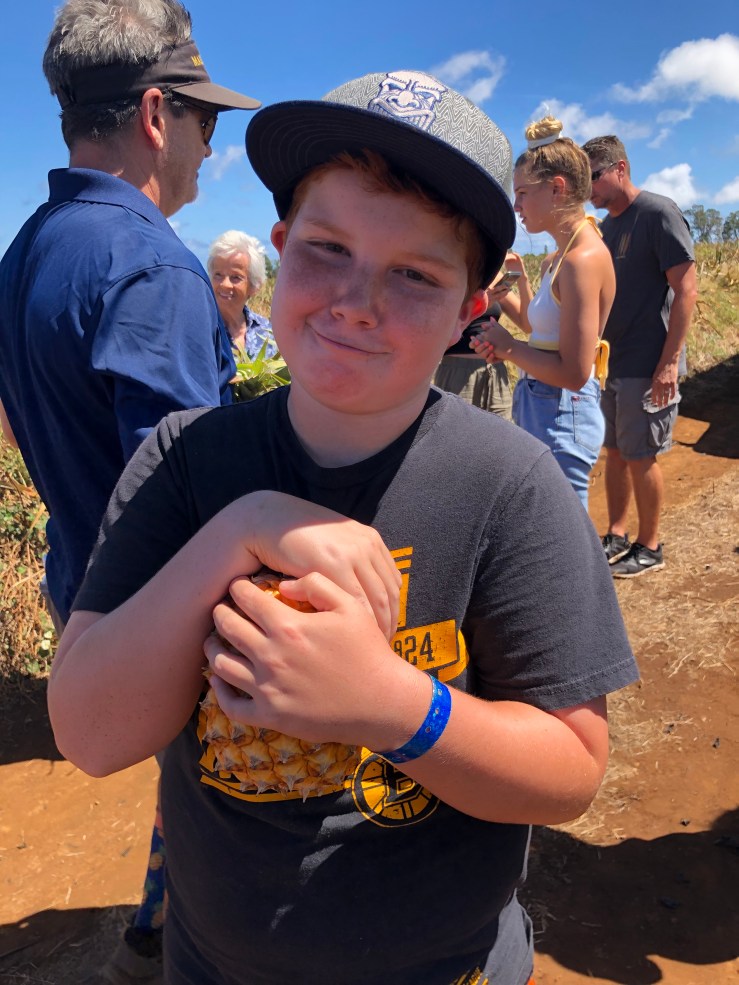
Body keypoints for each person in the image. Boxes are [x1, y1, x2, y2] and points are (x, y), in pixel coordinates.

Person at [48, 70, 638, 985]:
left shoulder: (508, 484)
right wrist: (239, 530)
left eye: (414, 274)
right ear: (282, 248)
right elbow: (90, 732)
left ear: (469, 307)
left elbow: (570, 770)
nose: (357, 300)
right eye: (327, 248)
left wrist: (391, 705)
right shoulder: (185, 461)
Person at [0, 1, 259, 980]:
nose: (210, 146)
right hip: (166, 618)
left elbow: (18, 421)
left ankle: (152, 926)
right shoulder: (153, 267)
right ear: (157, 114)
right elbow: (182, 500)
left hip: (84, 587)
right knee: (237, 806)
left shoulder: (28, 250)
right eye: (207, 119)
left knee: (185, 782)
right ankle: (178, 944)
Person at [470, 116, 615, 510]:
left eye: (522, 193)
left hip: (561, 407)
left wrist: (509, 348)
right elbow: (537, 328)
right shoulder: (560, 257)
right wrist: (508, 291)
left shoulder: (581, 260)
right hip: (545, 402)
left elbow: (574, 372)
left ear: (556, 188)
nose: (516, 206)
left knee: (561, 526)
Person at [581, 135, 697, 576]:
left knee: (640, 455)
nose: (588, 188)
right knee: (614, 451)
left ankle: (650, 546)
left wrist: (668, 363)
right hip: (612, 364)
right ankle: (616, 533)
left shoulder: (657, 214)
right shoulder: (605, 230)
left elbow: (686, 290)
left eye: (594, 176)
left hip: (648, 364)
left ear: (621, 169)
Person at [433, 294, 513, 420]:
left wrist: (523, 283)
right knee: (455, 426)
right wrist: (477, 308)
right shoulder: (459, 283)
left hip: (496, 370)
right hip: (457, 371)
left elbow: (527, 325)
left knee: (503, 429)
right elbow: (436, 332)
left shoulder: (496, 285)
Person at [207, 229, 277, 361]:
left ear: (254, 285)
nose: (225, 284)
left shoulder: (267, 332)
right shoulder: (200, 330)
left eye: (235, 277)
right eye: (218, 275)